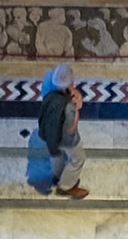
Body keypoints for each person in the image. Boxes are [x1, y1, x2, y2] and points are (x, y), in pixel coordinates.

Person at [36, 63, 89, 199]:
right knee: (78, 158)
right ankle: (66, 186)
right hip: (65, 138)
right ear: (71, 82)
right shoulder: (68, 107)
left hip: (48, 133)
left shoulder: (48, 86)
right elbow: (71, 129)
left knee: (56, 154)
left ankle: (57, 176)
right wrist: (77, 109)